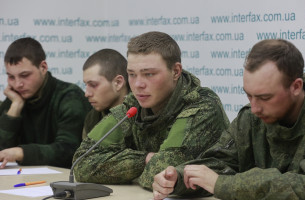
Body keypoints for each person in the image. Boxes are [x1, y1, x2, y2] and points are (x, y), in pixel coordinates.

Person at [153, 39, 305, 200]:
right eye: (249, 95)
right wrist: (179, 178)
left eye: (265, 97)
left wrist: (223, 185)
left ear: (296, 87)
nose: (254, 108)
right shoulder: (250, 118)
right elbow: (221, 163)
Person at [73, 31, 230, 189]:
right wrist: (145, 158)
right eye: (132, 74)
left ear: (175, 71)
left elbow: (160, 172)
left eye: (149, 74)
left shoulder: (202, 105)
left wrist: (128, 165)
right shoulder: (134, 104)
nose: (138, 84)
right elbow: (81, 162)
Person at [0, 37, 91, 168]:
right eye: (11, 77)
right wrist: (16, 107)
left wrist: (21, 153)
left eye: (25, 75)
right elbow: (2, 152)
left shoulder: (69, 96)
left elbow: (69, 151)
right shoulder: (15, 98)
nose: (18, 84)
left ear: (43, 67)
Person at [82, 49, 129, 139]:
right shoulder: (92, 118)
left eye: (93, 85)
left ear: (118, 83)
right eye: (86, 85)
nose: (87, 94)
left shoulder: (143, 115)